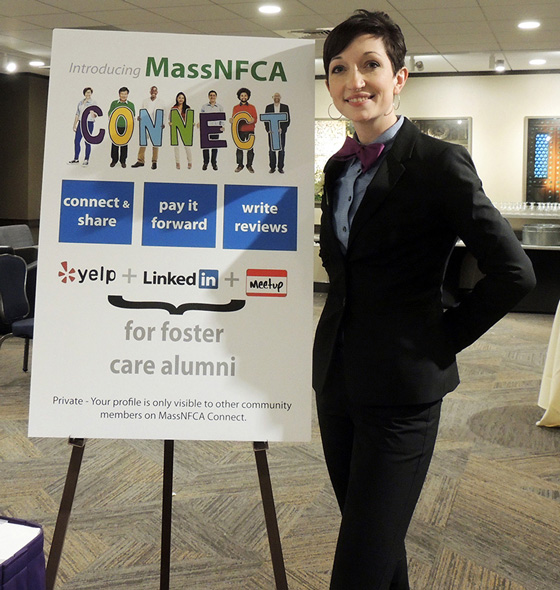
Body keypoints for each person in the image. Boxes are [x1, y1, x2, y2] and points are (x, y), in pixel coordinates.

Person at [313, 10, 536, 590]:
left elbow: (514, 272)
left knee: (357, 567)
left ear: (400, 76)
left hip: (403, 395)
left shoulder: (438, 163)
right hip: (337, 384)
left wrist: (439, 339)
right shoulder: (338, 170)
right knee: (377, 549)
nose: (353, 81)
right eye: (339, 68)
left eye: (370, 65)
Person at [131, 85, 166, 170]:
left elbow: (163, 113)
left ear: (157, 92)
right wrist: (140, 117)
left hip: (156, 124)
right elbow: (142, 110)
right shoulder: (145, 101)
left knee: (155, 144)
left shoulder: (161, 102)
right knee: (143, 143)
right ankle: (140, 160)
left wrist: (163, 122)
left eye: (155, 91)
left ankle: (154, 162)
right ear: (150, 92)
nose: (153, 92)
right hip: (146, 124)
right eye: (152, 91)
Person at [230, 87, 257, 173]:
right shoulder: (236, 107)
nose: (244, 97)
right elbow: (234, 118)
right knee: (239, 148)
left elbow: (255, 118)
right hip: (240, 130)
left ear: (248, 96)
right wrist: (231, 120)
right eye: (242, 95)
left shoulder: (252, 107)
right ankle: (240, 165)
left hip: (250, 130)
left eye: (245, 95)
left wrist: (252, 120)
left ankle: (249, 165)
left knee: (250, 148)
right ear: (239, 97)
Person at [69, 87, 96, 166]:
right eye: (87, 92)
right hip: (81, 123)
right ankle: (76, 158)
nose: (88, 94)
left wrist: (93, 114)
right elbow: (77, 114)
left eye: (89, 92)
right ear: (84, 93)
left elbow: (95, 114)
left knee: (87, 141)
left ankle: (86, 159)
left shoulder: (93, 102)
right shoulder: (80, 102)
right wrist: (74, 124)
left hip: (89, 123)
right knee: (77, 141)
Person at [108, 87, 135, 168]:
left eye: (125, 94)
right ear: (119, 94)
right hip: (115, 126)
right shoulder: (114, 103)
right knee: (114, 144)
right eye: (122, 94)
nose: (123, 95)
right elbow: (110, 114)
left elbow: (132, 115)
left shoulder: (130, 104)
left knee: (124, 144)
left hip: (126, 127)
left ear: (127, 95)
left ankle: (123, 161)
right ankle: (114, 160)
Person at [264, 92, 290, 173]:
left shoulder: (285, 107)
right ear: (272, 97)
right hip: (272, 132)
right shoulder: (268, 107)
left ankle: (280, 167)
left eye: (278, 96)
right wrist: (268, 129)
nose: (276, 97)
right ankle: (272, 167)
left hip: (281, 132)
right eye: (275, 96)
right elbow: (266, 120)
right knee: (271, 150)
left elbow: (288, 120)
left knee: (281, 150)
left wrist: (282, 129)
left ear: (280, 97)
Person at [199, 90, 224, 171]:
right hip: (206, 128)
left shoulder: (219, 107)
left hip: (215, 128)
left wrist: (222, 126)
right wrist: (200, 124)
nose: (212, 97)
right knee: (205, 147)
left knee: (214, 146)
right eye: (211, 95)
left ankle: (214, 163)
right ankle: (205, 162)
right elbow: (202, 116)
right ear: (208, 97)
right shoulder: (204, 106)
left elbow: (222, 118)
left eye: (213, 95)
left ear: (216, 96)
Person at [170, 92, 193, 170]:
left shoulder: (187, 107)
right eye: (179, 97)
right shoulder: (174, 108)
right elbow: (170, 118)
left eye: (182, 98)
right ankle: (177, 162)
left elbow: (190, 118)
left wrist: (191, 123)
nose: (181, 99)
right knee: (176, 146)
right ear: (177, 98)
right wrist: (170, 122)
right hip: (176, 127)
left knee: (187, 146)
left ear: (184, 99)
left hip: (185, 128)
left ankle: (189, 162)